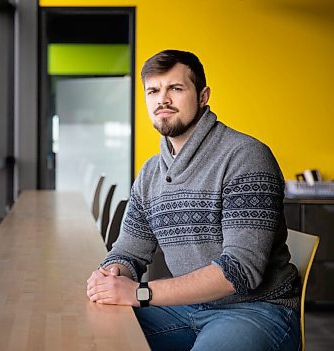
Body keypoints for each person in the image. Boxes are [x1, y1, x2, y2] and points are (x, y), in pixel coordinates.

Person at [86, 49, 300, 350]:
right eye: (153, 90)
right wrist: (114, 274)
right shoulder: (149, 174)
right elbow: (128, 250)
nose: (162, 99)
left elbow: (239, 271)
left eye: (175, 88)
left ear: (203, 96)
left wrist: (139, 293)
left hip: (257, 310)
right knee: (96, 333)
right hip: (189, 308)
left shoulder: (245, 157)